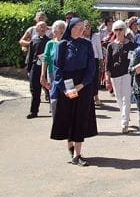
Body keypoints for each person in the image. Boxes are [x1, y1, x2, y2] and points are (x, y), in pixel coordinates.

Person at [50, 17, 97, 167]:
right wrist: (64, 87)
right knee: (69, 116)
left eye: (82, 27)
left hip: (83, 86)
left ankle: (78, 154)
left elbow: (91, 67)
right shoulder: (63, 44)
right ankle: (70, 147)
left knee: (80, 117)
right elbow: (57, 68)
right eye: (77, 26)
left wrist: (82, 84)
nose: (80, 29)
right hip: (67, 84)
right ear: (70, 27)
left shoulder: (87, 44)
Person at [106, 20, 136, 133]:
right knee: (119, 98)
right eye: (116, 30)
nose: (118, 32)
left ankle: (124, 123)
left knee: (126, 98)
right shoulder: (111, 45)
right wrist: (107, 78)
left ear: (124, 30)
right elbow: (108, 63)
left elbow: (134, 60)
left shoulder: (131, 45)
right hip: (115, 74)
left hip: (127, 73)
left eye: (121, 29)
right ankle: (125, 115)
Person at [40, 20, 66, 115]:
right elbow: (45, 59)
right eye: (58, 28)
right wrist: (42, 75)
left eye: (62, 28)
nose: (60, 30)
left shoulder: (68, 43)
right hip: (52, 72)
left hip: (67, 74)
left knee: (70, 94)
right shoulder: (50, 43)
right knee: (54, 95)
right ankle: (55, 116)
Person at [25, 21, 49, 118]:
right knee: (35, 90)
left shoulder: (49, 41)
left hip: (46, 68)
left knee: (49, 88)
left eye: (44, 27)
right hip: (35, 67)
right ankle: (34, 111)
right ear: (37, 29)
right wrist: (29, 69)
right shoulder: (33, 41)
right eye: (40, 27)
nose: (42, 29)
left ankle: (55, 109)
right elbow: (30, 56)